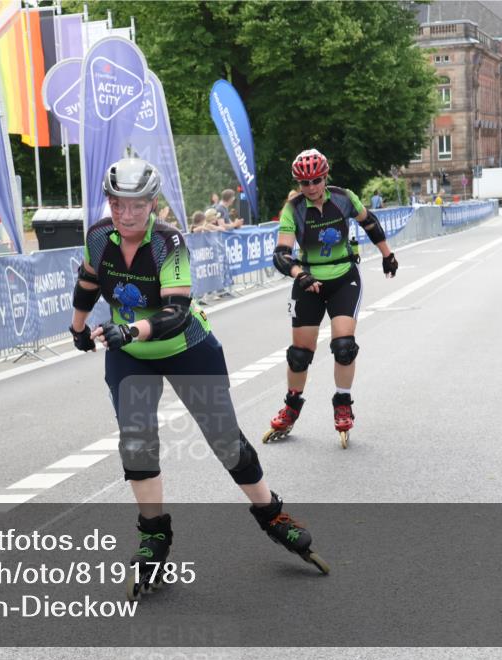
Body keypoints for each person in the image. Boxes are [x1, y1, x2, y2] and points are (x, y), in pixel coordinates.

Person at [69, 156, 329, 599]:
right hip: (131, 355)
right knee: (136, 443)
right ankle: (154, 534)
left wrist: (129, 330)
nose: (126, 214)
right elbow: (89, 280)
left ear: (153, 204)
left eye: (136, 205)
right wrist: (78, 326)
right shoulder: (98, 235)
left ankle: (272, 514)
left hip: (186, 347)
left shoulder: (168, 242)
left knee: (225, 441)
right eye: (117, 204)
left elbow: (175, 312)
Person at [264, 148, 397, 448]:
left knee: (344, 346)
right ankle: (291, 406)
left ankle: (343, 403)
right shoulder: (293, 209)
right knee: (299, 355)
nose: (311, 187)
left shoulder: (343, 197)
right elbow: (281, 254)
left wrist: (387, 255)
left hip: (343, 278)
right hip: (308, 281)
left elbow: (370, 222)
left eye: (316, 180)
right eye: (304, 182)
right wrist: (300, 275)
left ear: (325, 177)